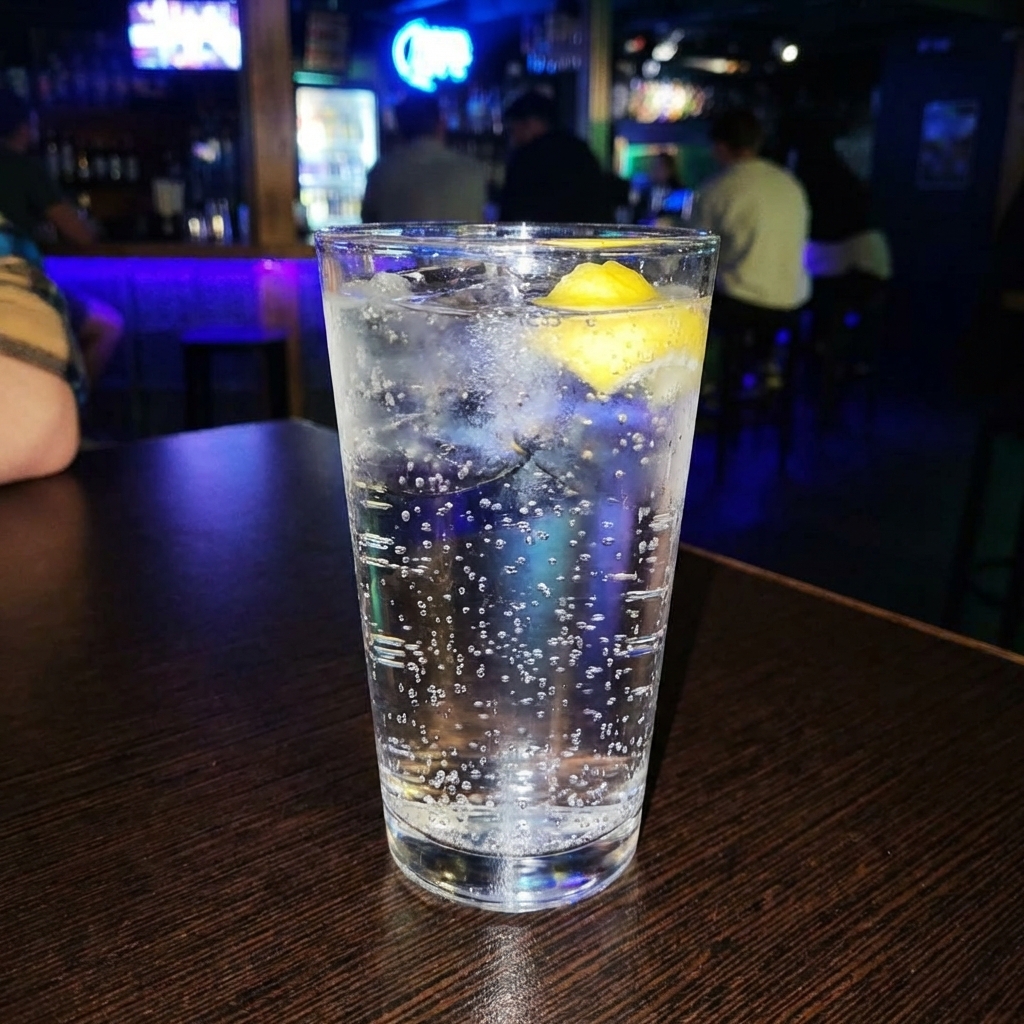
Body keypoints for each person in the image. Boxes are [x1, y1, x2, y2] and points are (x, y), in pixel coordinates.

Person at [0, 90, 123, 386]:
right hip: (17, 294)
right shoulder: (23, 167)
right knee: (107, 326)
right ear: (24, 127)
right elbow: (82, 236)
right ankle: (70, 419)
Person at [691, 108, 811, 319]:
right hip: (794, 299)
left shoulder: (717, 187)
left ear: (721, 146)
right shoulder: (789, 182)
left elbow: (697, 252)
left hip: (741, 302)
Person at [361, 94, 488, 222]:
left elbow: (367, 226)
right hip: (461, 242)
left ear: (399, 128)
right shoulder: (472, 171)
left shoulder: (382, 172)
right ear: (441, 124)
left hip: (400, 242)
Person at [499, 91, 612, 223]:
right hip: (590, 239)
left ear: (531, 124)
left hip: (538, 239)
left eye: (513, 129)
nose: (512, 138)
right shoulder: (579, 150)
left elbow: (511, 213)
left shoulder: (526, 158)